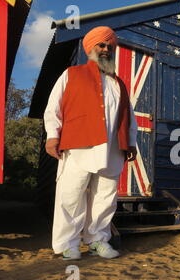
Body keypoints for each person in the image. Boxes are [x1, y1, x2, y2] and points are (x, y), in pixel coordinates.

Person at [44, 26, 138, 260]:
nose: (106, 49)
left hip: (113, 149)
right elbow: (53, 107)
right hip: (78, 144)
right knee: (71, 194)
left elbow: (130, 118)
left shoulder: (119, 84)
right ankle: (68, 244)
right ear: (90, 48)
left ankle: (98, 240)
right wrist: (52, 135)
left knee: (105, 197)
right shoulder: (71, 74)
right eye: (101, 45)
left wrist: (132, 142)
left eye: (109, 46)